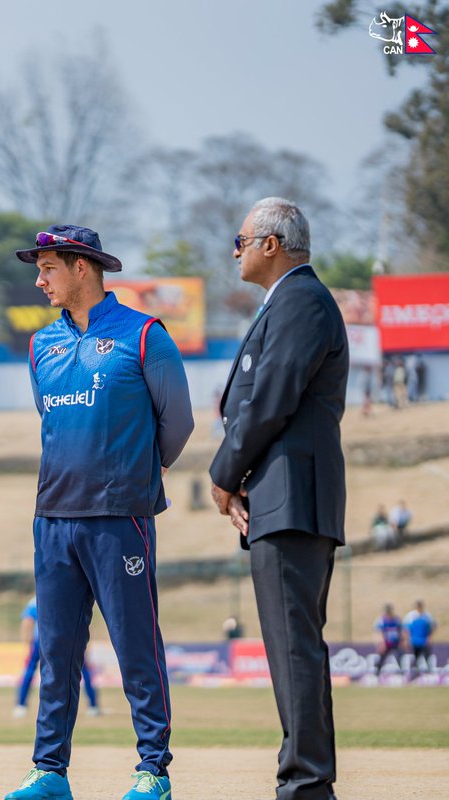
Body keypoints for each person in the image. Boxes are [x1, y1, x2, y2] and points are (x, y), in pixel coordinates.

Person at [5, 225, 193, 800]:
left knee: (136, 642)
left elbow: (178, 423)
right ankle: (49, 772)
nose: (38, 280)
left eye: (48, 268)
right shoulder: (42, 346)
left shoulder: (144, 336)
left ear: (82, 266)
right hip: (53, 515)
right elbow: (51, 420)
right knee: (56, 649)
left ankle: (153, 771)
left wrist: (134, 473)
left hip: (121, 516)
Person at [210, 199, 348, 800]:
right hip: (280, 495)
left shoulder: (300, 301)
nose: (234, 252)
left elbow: (270, 398)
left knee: (294, 652)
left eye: (239, 240)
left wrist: (223, 474)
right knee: (295, 651)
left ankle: (306, 786)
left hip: (292, 499)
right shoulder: (290, 302)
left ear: (271, 244)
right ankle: (308, 782)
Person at [12, 597, 98, 720]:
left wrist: (28, 642)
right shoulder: (71, 596)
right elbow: (84, 620)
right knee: (83, 669)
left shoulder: (35, 600)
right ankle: (93, 705)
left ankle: (21, 705)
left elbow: (27, 622)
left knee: (30, 671)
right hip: (70, 637)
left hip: (42, 640)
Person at [404, 599, 437, 678]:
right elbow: (406, 629)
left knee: (427, 656)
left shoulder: (427, 616)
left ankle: (430, 673)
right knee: (415, 657)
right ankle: (414, 673)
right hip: (414, 641)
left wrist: (429, 637)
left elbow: (432, 627)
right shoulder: (411, 616)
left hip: (424, 640)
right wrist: (407, 639)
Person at [374, 604, 404, 676]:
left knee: (399, 657)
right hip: (387, 643)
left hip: (396, 642)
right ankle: (376, 673)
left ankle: (402, 674)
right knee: (381, 658)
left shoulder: (397, 619)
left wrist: (402, 641)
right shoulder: (382, 620)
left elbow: (401, 631)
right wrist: (382, 643)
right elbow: (379, 632)